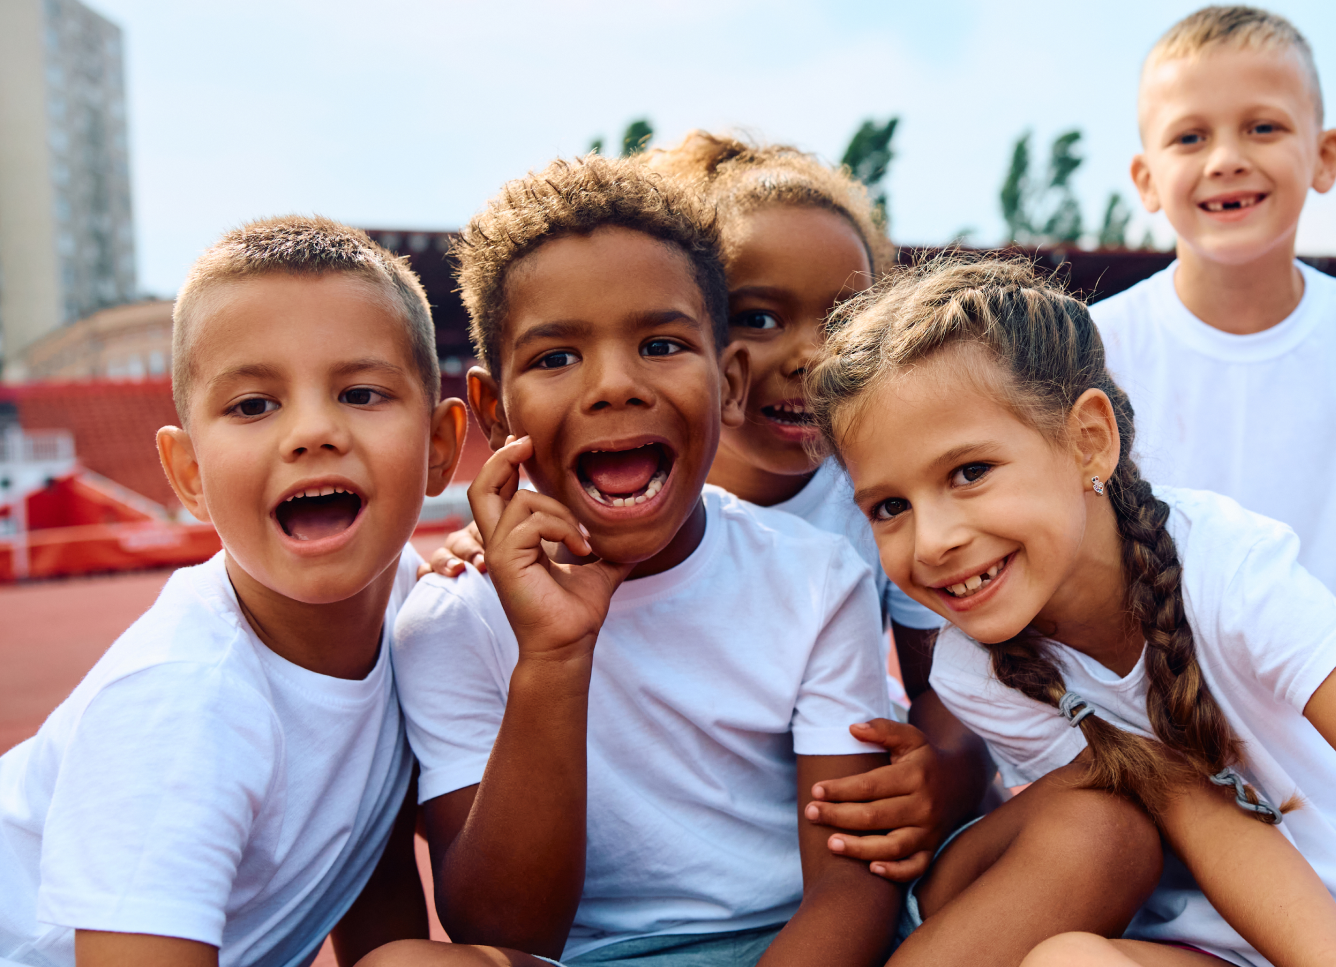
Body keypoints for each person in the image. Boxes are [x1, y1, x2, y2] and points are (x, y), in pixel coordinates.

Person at [807, 257, 1336, 967]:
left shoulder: (1227, 569)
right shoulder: (980, 669)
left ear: (1088, 441)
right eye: (888, 507)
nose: (935, 539)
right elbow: (1200, 812)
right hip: (1211, 943)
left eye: (970, 471)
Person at [365, 155, 902, 967]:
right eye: (555, 358)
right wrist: (551, 654)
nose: (614, 385)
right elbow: (503, 933)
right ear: (491, 408)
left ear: (726, 382)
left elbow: (851, 886)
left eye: (659, 343)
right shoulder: (450, 618)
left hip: (796, 942)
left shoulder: (817, 578)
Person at [425, 133, 993, 880]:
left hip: (820, 845)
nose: (808, 357)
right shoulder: (593, 503)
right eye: (759, 318)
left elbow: (950, 685)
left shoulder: (875, 502)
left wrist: (947, 772)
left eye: (845, 319)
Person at [0, 216, 469, 967]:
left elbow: (368, 885)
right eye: (253, 405)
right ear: (187, 474)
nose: (312, 432)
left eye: (360, 392)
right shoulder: (181, 704)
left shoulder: (420, 614)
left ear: (441, 446)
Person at [1091, 5, 1336, 672]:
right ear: (1147, 180)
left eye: (1262, 127)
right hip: (1168, 718)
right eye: (1189, 138)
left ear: (1324, 156)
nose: (1226, 160)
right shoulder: (1095, 348)